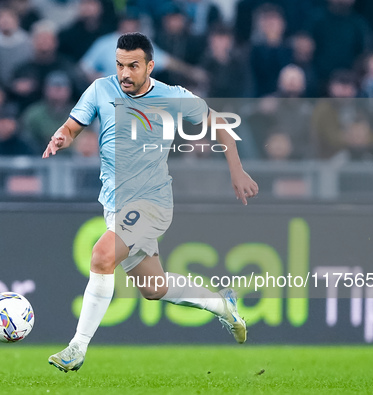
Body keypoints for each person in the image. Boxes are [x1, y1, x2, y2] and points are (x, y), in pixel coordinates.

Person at [42, 32, 258, 373]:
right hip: (114, 203)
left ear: (150, 66)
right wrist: (61, 137)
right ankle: (223, 305)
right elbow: (72, 127)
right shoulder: (101, 88)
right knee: (154, 288)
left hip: (151, 201)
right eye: (119, 65)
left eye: (133, 66)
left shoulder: (172, 97)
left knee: (101, 257)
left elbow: (219, 123)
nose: (124, 73)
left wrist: (237, 170)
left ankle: (76, 348)